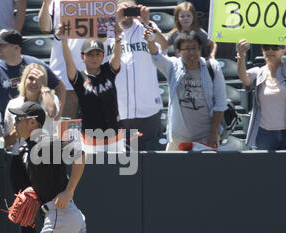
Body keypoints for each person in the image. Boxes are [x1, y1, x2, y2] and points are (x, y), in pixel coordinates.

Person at [10, 101, 179, 233]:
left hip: (60, 216)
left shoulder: (44, 143)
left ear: (32, 123)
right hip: (67, 216)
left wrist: (69, 191)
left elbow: (79, 156)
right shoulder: (31, 146)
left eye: (19, 119)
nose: (15, 122)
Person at [4, 63, 73, 233]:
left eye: (38, 78)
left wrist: (45, 90)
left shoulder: (48, 99)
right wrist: (18, 130)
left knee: (50, 213)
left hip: (46, 162)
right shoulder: (14, 104)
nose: (33, 82)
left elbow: (53, 113)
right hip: (21, 160)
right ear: (23, 80)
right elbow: (7, 141)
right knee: (26, 213)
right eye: (30, 78)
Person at [146, 30, 227, 150]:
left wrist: (213, 133)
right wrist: (150, 41)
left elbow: (220, 104)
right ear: (178, 51)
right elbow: (156, 56)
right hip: (178, 137)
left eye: (195, 48)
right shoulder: (172, 66)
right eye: (187, 49)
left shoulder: (213, 67)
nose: (192, 53)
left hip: (205, 135)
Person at [104, 0, 169, 150]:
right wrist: (115, 20)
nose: (127, 14)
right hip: (118, 109)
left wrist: (147, 22)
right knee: (122, 162)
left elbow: (165, 45)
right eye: (123, 9)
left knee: (151, 159)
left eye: (130, 9)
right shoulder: (107, 30)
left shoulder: (146, 27)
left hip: (147, 107)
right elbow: (94, 44)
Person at [56, 12, 124, 152]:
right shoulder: (79, 78)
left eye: (98, 54)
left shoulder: (108, 71)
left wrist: (118, 40)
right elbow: (69, 62)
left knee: (118, 172)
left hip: (115, 135)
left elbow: (117, 57)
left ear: (103, 55)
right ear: (83, 56)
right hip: (91, 137)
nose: (94, 58)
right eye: (90, 54)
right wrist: (63, 41)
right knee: (94, 173)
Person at [0, 29, 66, 141]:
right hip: (11, 125)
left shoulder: (34, 65)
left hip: (42, 129)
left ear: (16, 48)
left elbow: (60, 87)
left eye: (2, 45)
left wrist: (57, 116)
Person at [237, 41, 286, 150]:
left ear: (283, 50)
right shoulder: (258, 72)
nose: (270, 51)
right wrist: (241, 55)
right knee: (263, 167)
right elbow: (244, 78)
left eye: (274, 47)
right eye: (266, 48)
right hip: (264, 134)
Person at [38, 0, 86, 119]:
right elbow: (44, 27)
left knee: (96, 129)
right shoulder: (55, 1)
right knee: (64, 129)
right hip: (63, 72)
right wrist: (46, 3)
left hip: (94, 70)